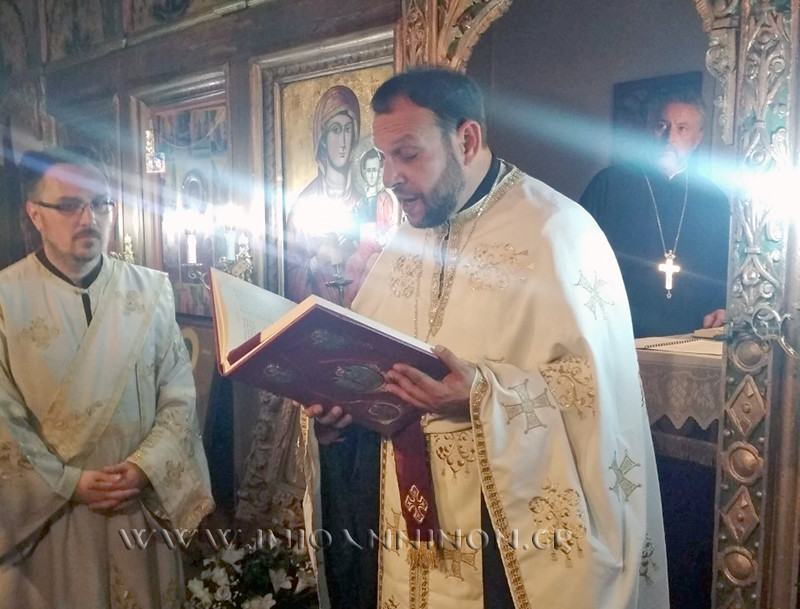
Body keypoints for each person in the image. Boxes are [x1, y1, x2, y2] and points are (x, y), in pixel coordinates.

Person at [300, 68, 668, 609]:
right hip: (400, 545)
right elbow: (372, 374)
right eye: (383, 158)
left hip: (501, 559)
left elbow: (598, 400)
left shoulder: (558, 233)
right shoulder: (403, 243)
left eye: (408, 154)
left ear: (466, 140)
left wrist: (483, 396)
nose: (390, 177)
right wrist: (339, 421)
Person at [0, 147, 214, 608]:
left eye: (100, 204)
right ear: (35, 214)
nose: (89, 218)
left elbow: (179, 396)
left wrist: (145, 466)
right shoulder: (5, 300)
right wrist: (68, 482)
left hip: (138, 509)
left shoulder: (150, 291)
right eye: (70, 206)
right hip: (49, 524)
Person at [579, 89, 730, 338]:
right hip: (619, 332)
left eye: (682, 128)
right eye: (662, 126)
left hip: (693, 333)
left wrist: (722, 307)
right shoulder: (609, 184)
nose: (670, 138)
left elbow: (724, 270)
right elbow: (578, 256)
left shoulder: (714, 200)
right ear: (649, 130)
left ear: (697, 139)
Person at [285, 85, 364, 306]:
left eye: (348, 129)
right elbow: (292, 277)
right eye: (335, 130)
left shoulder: (366, 201)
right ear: (322, 138)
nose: (343, 142)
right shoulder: (303, 207)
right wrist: (319, 259)